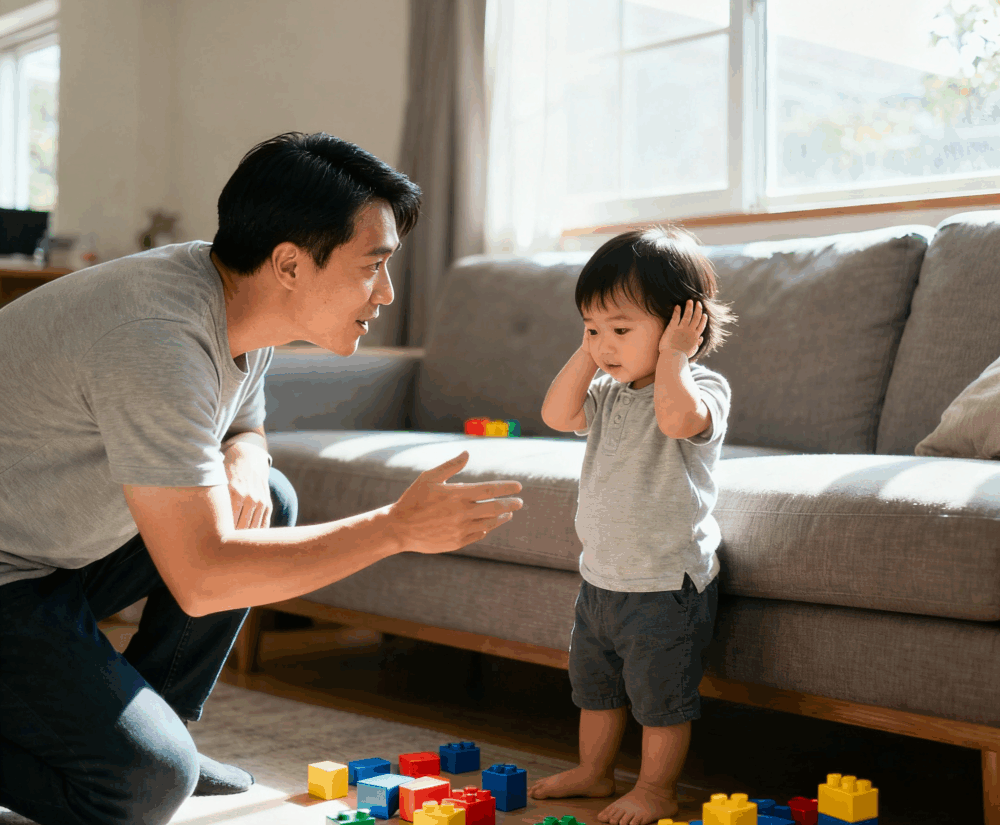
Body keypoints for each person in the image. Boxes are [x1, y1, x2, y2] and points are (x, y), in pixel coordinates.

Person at [0, 132, 523, 825]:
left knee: (266, 494)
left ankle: (164, 722)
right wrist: (395, 527)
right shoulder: (158, 338)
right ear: (289, 263)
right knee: (143, 786)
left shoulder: (242, 308)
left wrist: (246, 453)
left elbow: (245, 419)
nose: (389, 291)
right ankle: (150, 754)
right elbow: (203, 575)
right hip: (10, 572)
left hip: (48, 553)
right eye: (374, 265)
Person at [529, 226, 735, 825]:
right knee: (597, 690)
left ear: (682, 325)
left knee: (661, 700)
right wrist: (589, 348)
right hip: (601, 581)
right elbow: (555, 413)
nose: (605, 345)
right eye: (593, 328)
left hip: (665, 586)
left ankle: (656, 789)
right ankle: (595, 772)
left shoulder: (703, 388)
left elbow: (676, 421)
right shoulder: (608, 392)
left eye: (621, 330)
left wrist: (674, 358)